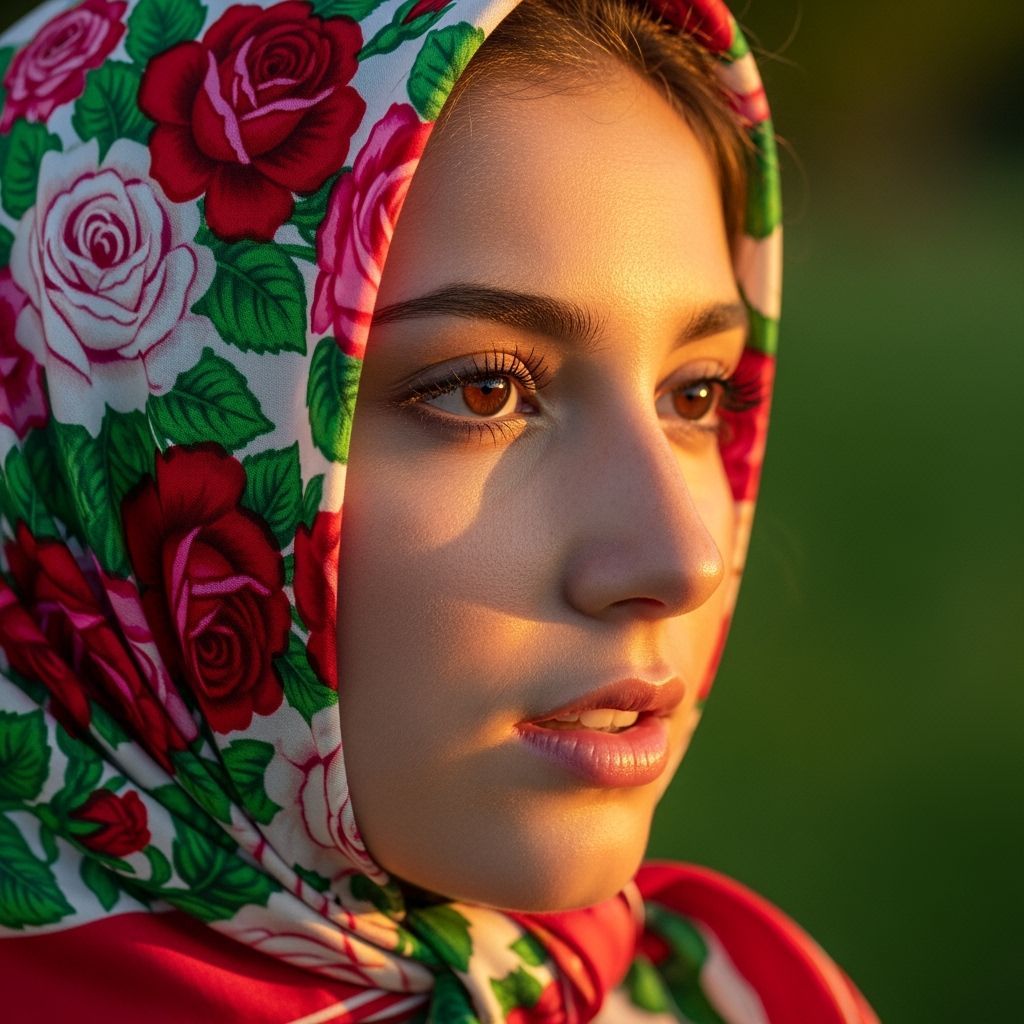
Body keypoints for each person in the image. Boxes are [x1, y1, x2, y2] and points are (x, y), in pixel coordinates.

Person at [0, 0, 877, 1019]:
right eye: (483, 391)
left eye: (696, 393)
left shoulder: (728, 994)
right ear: (102, 447)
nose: (682, 556)